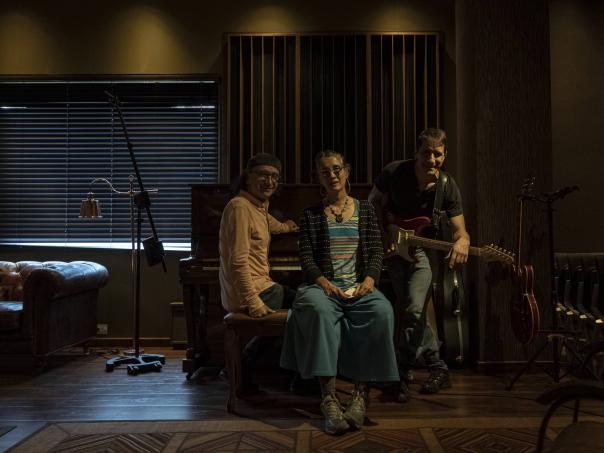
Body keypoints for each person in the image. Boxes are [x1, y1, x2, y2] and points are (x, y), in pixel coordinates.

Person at [281, 150, 399, 435]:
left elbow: (376, 252)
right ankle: (329, 399)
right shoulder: (310, 214)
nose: (332, 175)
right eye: (325, 171)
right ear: (318, 178)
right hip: (323, 287)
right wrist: (324, 283)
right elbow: (306, 258)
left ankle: (360, 394)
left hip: (358, 285)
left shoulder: (366, 210)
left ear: (346, 171)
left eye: (336, 169)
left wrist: (370, 279)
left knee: (382, 311)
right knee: (317, 310)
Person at [369, 128, 470, 403]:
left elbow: (461, 231)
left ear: (445, 155)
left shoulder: (447, 186)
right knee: (412, 311)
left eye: (438, 154)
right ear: (416, 153)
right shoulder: (394, 172)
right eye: (426, 153)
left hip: (422, 252)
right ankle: (438, 367)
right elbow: (372, 203)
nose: (432, 159)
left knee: (414, 309)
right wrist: (383, 233)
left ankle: (400, 371)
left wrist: (463, 242)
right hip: (393, 250)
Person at [219, 153, 298, 395]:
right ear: (247, 177)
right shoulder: (240, 208)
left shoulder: (257, 207)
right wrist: (253, 302)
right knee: (311, 309)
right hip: (254, 293)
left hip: (262, 286)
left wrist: (287, 227)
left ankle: (246, 365)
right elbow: (238, 262)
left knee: (308, 302)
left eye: (274, 176)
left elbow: (270, 224)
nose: (269, 181)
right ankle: (245, 366)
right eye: (263, 175)